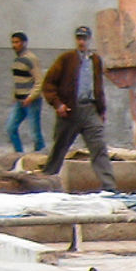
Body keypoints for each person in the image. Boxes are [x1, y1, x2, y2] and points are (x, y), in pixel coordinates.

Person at [42, 25, 117, 191]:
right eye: (79, 38)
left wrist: (101, 110)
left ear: (90, 40)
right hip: (69, 110)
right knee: (60, 147)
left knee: (99, 148)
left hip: (90, 109)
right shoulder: (66, 59)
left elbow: (98, 86)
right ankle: (46, 179)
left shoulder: (95, 60)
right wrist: (58, 104)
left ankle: (109, 187)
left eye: (84, 38)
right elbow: (48, 83)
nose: (81, 42)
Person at [6, 32, 45, 154]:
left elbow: (39, 81)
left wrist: (31, 97)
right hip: (19, 101)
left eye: (17, 42)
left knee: (34, 133)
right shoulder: (17, 60)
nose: (15, 45)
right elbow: (18, 80)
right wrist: (15, 95)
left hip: (31, 101)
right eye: (13, 42)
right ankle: (19, 154)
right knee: (10, 128)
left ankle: (41, 155)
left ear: (24, 43)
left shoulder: (31, 59)